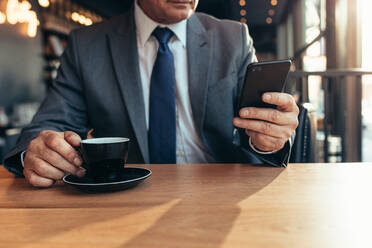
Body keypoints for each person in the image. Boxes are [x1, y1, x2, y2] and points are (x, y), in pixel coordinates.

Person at [3, 0, 299, 187]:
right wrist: (38, 151)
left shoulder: (233, 38)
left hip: (221, 190)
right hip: (124, 196)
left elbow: (262, 130)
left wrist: (268, 141)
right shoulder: (87, 46)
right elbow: (44, 128)